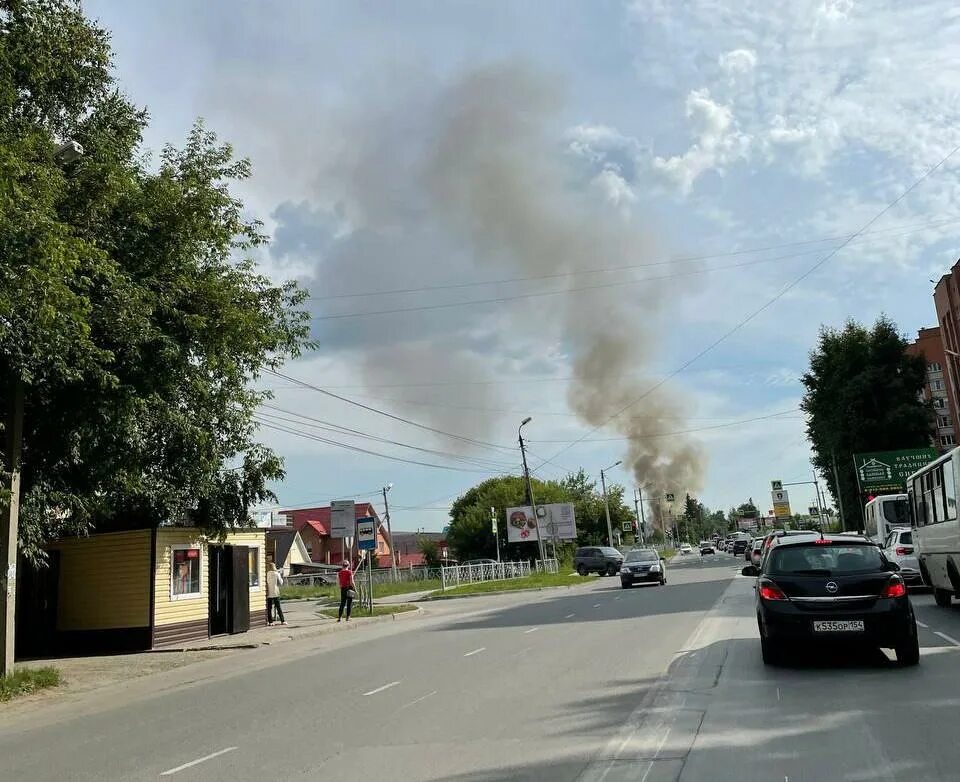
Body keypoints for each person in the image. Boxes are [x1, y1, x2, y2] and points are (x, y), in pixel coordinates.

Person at [265, 561, 286, 626]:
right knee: (278, 607)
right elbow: (281, 582)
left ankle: (270, 621)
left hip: (268, 593)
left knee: (269, 608)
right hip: (275, 592)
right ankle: (282, 620)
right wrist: (280, 574)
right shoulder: (276, 573)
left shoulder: (267, 574)